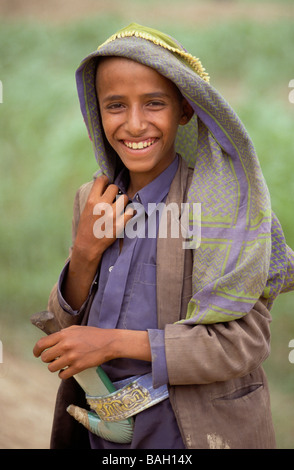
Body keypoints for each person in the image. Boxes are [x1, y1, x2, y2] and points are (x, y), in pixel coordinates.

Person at [33, 23, 294, 449]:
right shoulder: (92, 201)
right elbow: (65, 330)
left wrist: (112, 343)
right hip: (103, 435)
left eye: (154, 103)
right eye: (115, 105)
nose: (135, 124)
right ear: (96, 114)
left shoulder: (217, 208)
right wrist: (84, 252)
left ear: (186, 110)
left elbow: (241, 345)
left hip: (188, 434)